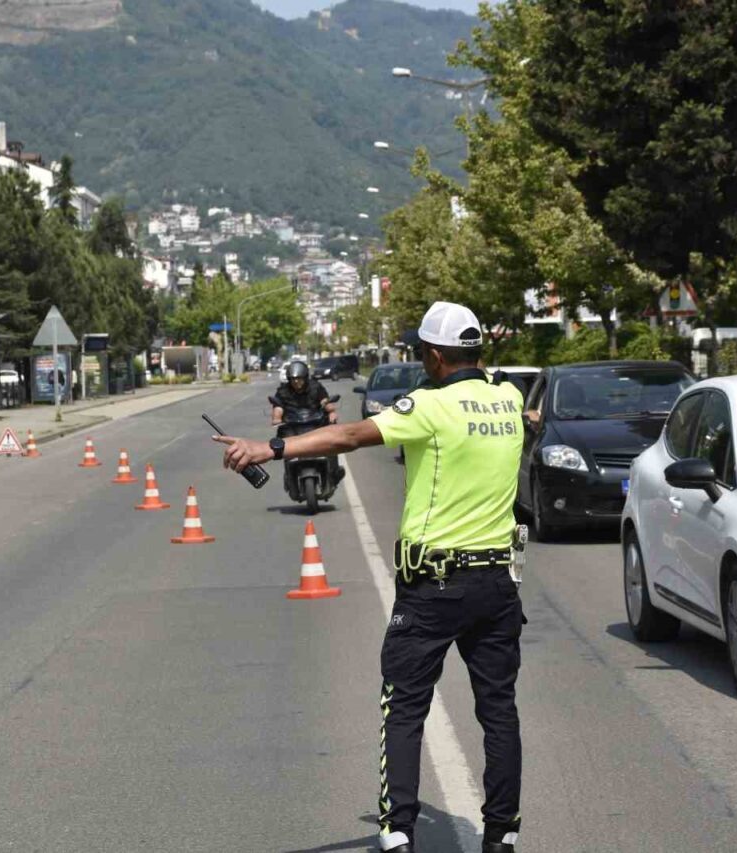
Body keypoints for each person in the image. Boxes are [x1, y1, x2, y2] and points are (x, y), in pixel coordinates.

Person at [215, 302, 526, 853]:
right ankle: (502, 834)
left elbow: (351, 435)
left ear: (434, 355)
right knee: (498, 708)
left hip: (434, 585)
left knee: (404, 705)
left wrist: (270, 447)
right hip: (497, 584)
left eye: (419, 351)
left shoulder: (432, 405)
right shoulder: (508, 399)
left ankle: (398, 831)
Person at [272, 361, 337, 425]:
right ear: (289, 379)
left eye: (299, 378)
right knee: (280, 435)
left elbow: (324, 401)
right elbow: (278, 406)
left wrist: (331, 412)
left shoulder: (316, 387)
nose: (296, 381)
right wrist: (276, 418)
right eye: (293, 378)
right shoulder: (283, 391)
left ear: (305, 377)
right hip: (291, 425)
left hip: (316, 422)